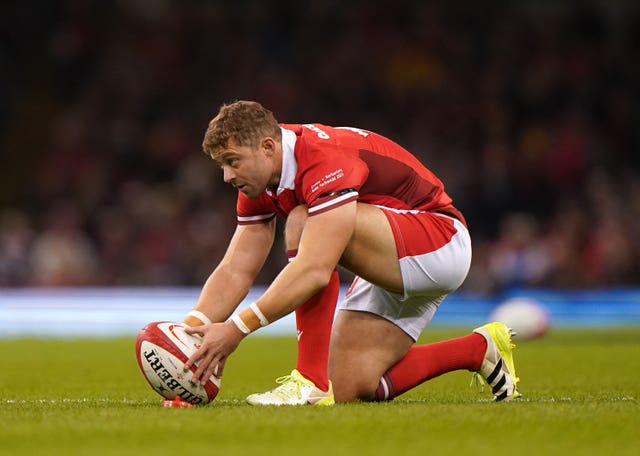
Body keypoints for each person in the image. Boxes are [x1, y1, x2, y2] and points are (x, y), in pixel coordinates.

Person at [181, 100, 521, 405]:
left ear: (267, 147)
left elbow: (314, 269)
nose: (227, 176)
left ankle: (309, 380)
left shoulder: (322, 158)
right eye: (221, 165)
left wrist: (236, 329)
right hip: (390, 254)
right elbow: (236, 269)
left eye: (232, 161)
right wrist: (189, 333)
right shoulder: (260, 179)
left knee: (302, 218)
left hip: (440, 241)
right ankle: (478, 350)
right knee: (349, 385)